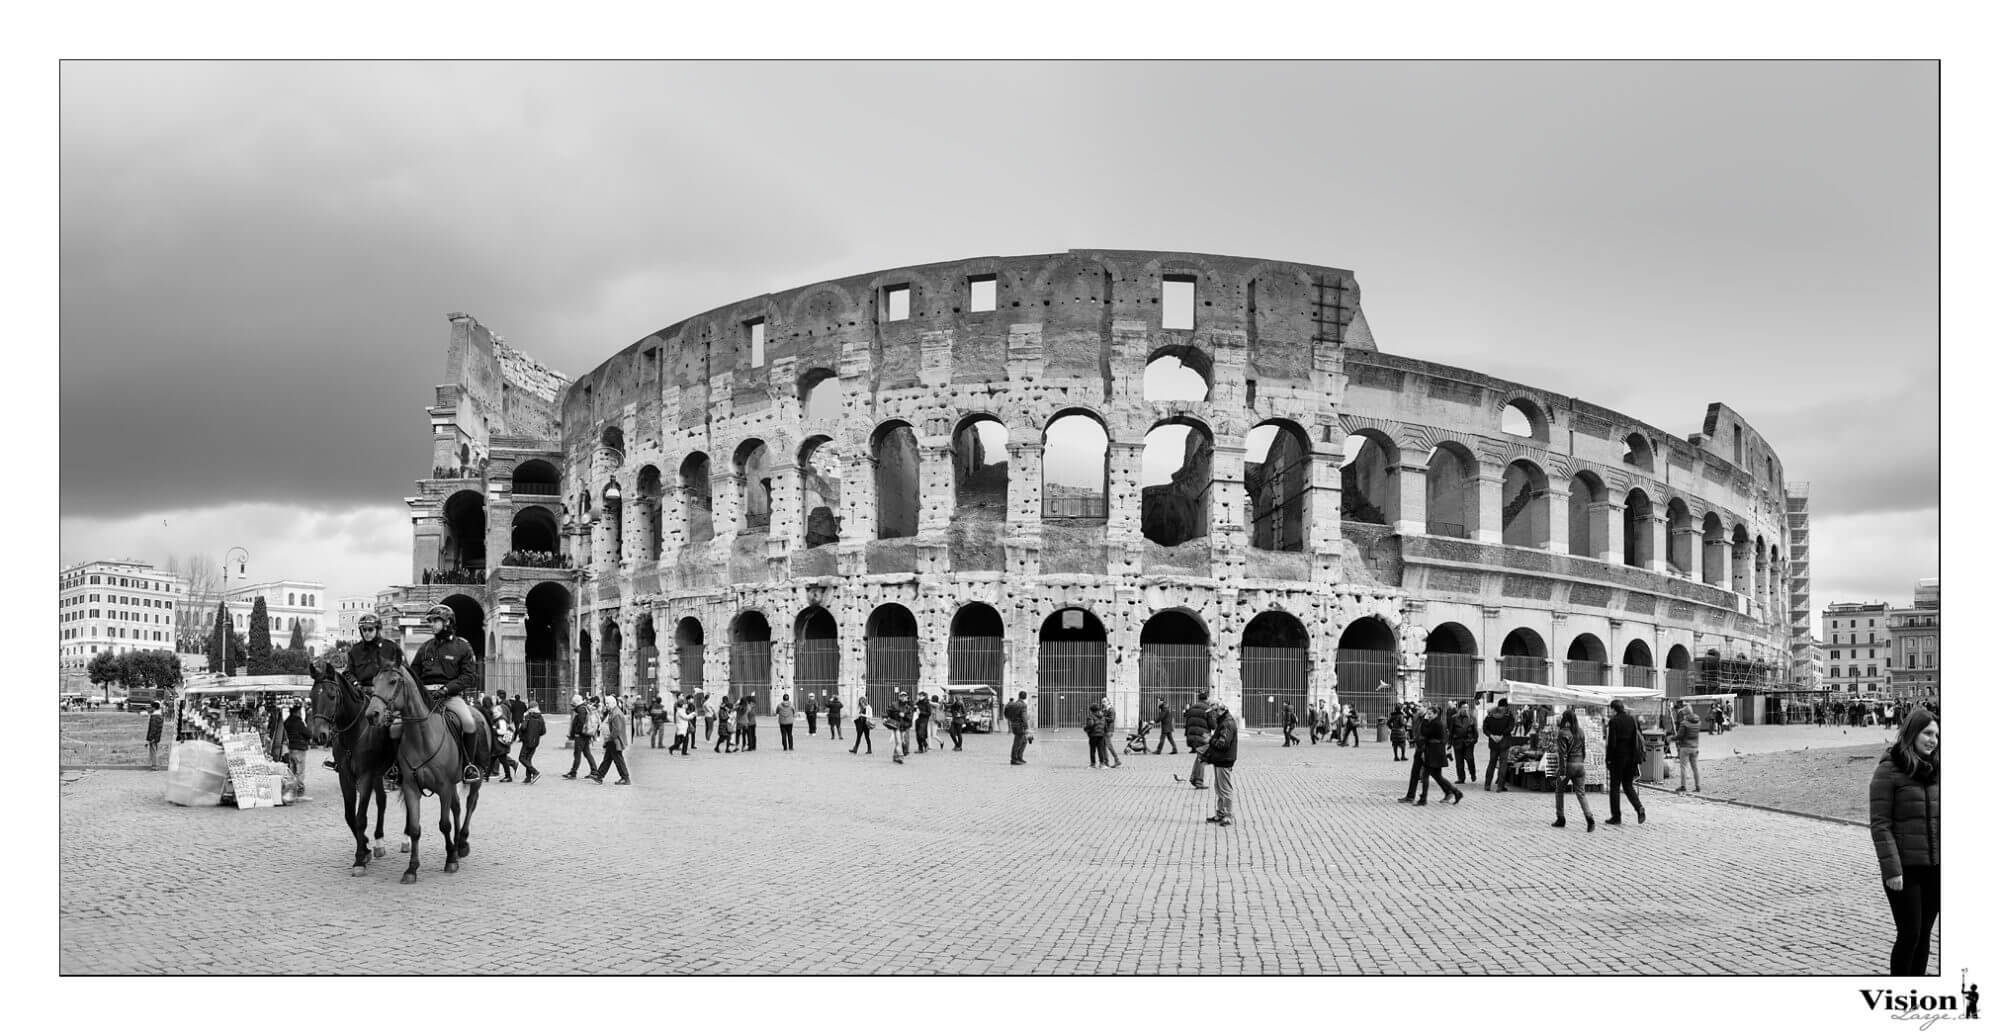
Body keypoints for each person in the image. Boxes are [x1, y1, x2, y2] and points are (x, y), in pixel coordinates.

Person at [1869, 707, 1940, 976]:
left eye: (1936, 735)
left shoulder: (1937, 770)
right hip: (1905, 869)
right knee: (1909, 934)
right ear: (1912, 733)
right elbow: (1880, 824)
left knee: (1924, 935)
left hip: (1935, 866)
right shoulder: (1888, 770)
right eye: (1927, 733)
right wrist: (1892, 870)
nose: (1933, 740)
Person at [411, 604, 485, 782]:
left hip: (450, 697)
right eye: (431, 621)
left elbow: (468, 677)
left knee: (469, 722)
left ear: (447, 622)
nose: (432, 624)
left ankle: (468, 765)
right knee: (399, 723)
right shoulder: (425, 647)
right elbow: (414, 673)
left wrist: (446, 690)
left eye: (436, 620)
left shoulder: (462, 646)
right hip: (425, 697)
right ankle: (397, 768)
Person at [1550, 707, 1595, 832]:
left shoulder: (1563, 732)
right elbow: (1584, 750)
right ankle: (1589, 818)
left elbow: (1562, 755)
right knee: (1581, 793)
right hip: (1580, 765)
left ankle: (1561, 818)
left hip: (1569, 765)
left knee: (1559, 790)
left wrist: (1563, 772)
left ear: (1564, 719)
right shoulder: (1580, 731)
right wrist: (1581, 762)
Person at [1602, 698, 1646, 824]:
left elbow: (1612, 743)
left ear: (1613, 709)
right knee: (1628, 785)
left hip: (1617, 759)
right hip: (1630, 758)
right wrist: (1634, 758)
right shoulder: (1631, 720)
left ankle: (1616, 816)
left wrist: (1608, 759)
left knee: (1615, 787)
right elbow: (1634, 740)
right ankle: (1639, 807)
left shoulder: (1614, 721)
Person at [1200, 701, 1239, 826]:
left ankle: (1227, 815)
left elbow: (1223, 744)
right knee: (1219, 788)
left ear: (1219, 711)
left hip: (1224, 760)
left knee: (1225, 789)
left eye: (1213, 713)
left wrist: (1210, 739)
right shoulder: (1223, 722)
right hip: (1220, 759)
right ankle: (1221, 813)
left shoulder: (1227, 723)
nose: (1212, 716)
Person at [1418, 704, 1462, 805]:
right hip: (1435, 751)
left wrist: (1424, 720)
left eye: (1430, 714)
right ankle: (1455, 792)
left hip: (1434, 752)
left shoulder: (1436, 723)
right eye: (1427, 714)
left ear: (1435, 714)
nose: (1428, 715)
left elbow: (1424, 732)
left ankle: (1423, 798)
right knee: (1437, 776)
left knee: (1425, 775)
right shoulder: (1434, 722)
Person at [590, 693, 631, 784]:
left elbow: (616, 730)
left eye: (608, 704)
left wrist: (609, 739)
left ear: (613, 703)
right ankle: (599, 775)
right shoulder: (614, 712)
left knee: (618, 760)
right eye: (606, 703)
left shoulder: (616, 714)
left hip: (615, 740)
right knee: (608, 759)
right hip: (614, 740)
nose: (606, 705)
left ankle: (625, 777)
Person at [563, 694, 598, 779]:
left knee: (577, 754)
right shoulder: (584, 708)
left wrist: (577, 732)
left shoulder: (581, 709)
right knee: (587, 753)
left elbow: (581, 722)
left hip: (581, 735)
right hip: (586, 734)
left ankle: (573, 772)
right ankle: (594, 771)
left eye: (573, 703)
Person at [1482, 699, 1514, 792]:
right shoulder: (1508, 716)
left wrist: (1492, 736)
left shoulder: (1490, 715)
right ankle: (1500, 786)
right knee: (1503, 764)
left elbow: (1485, 728)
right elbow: (1510, 728)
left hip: (1493, 744)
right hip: (1504, 743)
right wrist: (1502, 735)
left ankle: (1487, 785)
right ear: (1506, 706)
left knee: (1491, 763)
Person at [1183, 692, 1212, 788]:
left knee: (1199, 756)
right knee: (1203, 758)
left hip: (1191, 735)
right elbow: (1213, 725)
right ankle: (1199, 781)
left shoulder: (1192, 707)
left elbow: (1186, 720)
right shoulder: (1208, 709)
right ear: (1207, 698)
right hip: (1203, 736)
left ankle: (1193, 777)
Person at [283, 705, 312, 800]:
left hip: (291, 748)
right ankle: (297, 793)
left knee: (293, 772)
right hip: (299, 748)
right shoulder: (298, 722)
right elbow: (308, 733)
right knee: (300, 772)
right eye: (299, 711)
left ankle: (292, 792)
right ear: (296, 712)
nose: (301, 713)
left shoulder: (287, 721)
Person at [1673, 703, 1702, 794]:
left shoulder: (1684, 723)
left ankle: (1683, 786)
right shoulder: (1698, 722)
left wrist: (1671, 738)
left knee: (1683, 767)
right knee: (1695, 768)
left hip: (1685, 747)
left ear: (1685, 713)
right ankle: (1698, 786)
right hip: (1695, 747)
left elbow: (1679, 736)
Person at [1449, 702, 1479, 784]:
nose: (1465, 709)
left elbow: (1475, 731)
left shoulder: (1472, 718)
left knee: (1470, 759)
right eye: (1463, 707)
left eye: (1467, 707)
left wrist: (1474, 740)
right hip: (1457, 742)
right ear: (1459, 709)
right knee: (1459, 761)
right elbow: (1451, 731)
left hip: (1469, 742)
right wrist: (1449, 744)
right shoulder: (1454, 718)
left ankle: (1473, 773)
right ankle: (1461, 778)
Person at [517, 702, 546, 784]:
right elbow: (543, 731)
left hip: (527, 740)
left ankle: (535, 772)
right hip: (535, 741)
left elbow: (523, 727)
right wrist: (536, 735)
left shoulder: (528, 716)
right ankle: (528, 778)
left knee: (522, 758)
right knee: (528, 759)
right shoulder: (540, 717)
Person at [1004, 691, 1029, 765]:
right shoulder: (1023, 705)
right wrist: (1026, 727)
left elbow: (1007, 714)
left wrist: (1011, 720)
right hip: (1020, 726)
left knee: (1024, 741)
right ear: (1025, 696)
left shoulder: (1014, 704)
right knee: (1017, 742)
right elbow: (1024, 717)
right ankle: (1014, 759)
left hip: (1014, 724)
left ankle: (1019, 757)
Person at [1099, 698, 1122, 768]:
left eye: (1104, 701)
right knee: (1104, 746)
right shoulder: (1104, 710)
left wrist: (1103, 717)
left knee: (1108, 746)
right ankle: (1107, 762)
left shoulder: (1111, 709)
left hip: (1109, 730)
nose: (1103, 703)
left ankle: (1116, 760)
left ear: (1108, 702)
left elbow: (1112, 719)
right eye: (1102, 702)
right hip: (1104, 730)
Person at [1085, 703, 1108, 769]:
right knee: (1101, 750)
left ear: (1091, 710)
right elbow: (1105, 726)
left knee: (1092, 750)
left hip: (1093, 735)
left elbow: (1090, 724)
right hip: (1101, 735)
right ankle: (1102, 764)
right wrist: (1104, 732)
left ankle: (1093, 764)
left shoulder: (1091, 716)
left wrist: (1086, 729)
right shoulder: (1103, 716)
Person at [145, 704, 164, 770]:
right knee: (155, 750)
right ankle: (155, 765)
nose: (150, 708)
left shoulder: (154, 717)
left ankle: (154, 766)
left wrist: (150, 738)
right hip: (157, 736)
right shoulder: (160, 716)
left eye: (151, 707)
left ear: (154, 708)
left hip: (153, 737)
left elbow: (153, 728)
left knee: (153, 751)